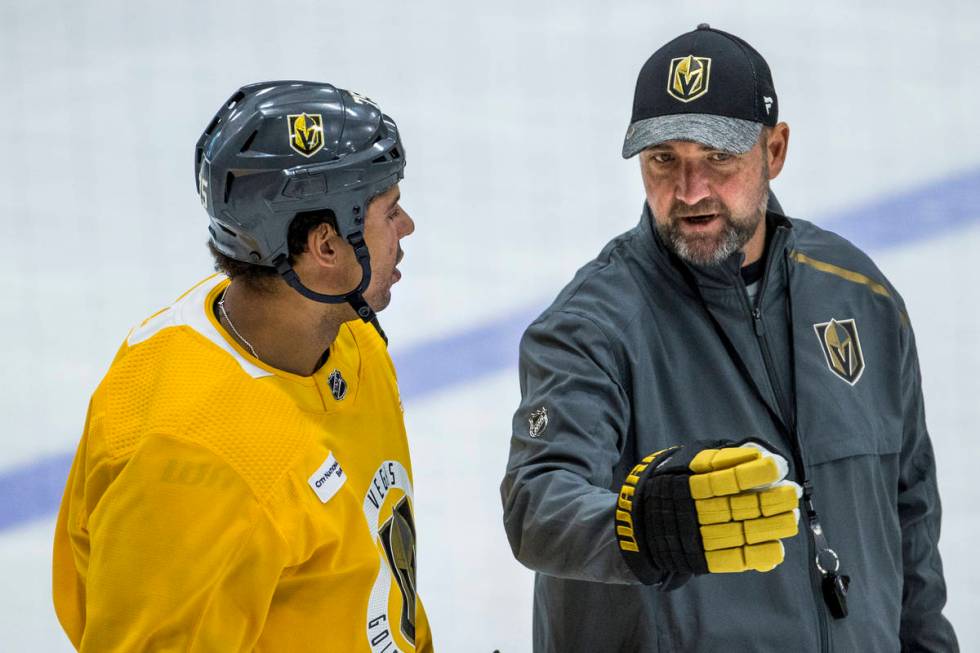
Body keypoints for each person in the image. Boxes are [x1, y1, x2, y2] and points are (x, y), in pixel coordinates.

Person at [501, 24, 958, 652]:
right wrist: (644, 527)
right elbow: (537, 503)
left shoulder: (859, 296)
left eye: (718, 157)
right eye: (665, 160)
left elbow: (910, 519)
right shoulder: (590, 327)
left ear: (774, 151)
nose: (690, 191)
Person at [52, 81, 433, 652]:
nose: (406, 228)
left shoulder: (346, 335)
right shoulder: (193, 463)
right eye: (389, 210)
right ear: (326, 247)